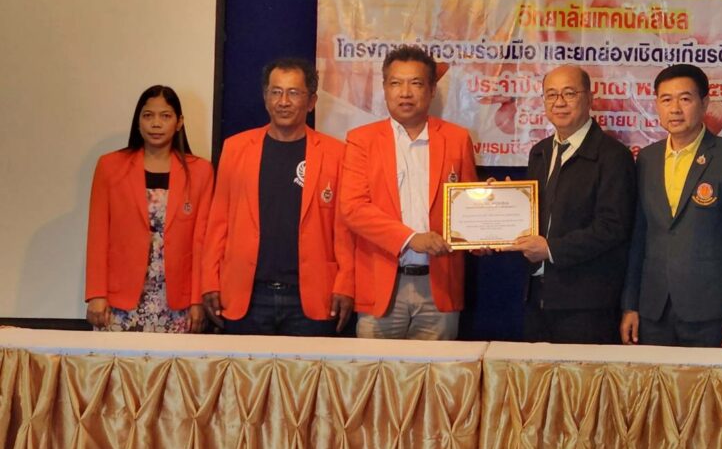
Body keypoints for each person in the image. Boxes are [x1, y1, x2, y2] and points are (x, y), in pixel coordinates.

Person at [201, 58, 352, 336]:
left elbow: (344, 230)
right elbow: (218, 223)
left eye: (294, 93)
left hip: (312, 297)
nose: (283, 101)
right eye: (276, 92)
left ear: (311, 101)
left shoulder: (336, 154)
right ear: (265, 97)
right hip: (247, 295)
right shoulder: (235, 148)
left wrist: (345, 284)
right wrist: (209, 280)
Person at [338, 45, 477, 340]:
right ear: (384, 88)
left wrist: (487, 222)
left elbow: (467, 207)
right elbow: (353, 208)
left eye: (415, 83)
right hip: (382, 284)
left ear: (431, 90)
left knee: (436, 370)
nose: (405, 93)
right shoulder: (362, 140)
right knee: (376, 370)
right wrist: (411, 239)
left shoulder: (456, 139)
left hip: (439, 286)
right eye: (396, 83)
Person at [621, 64, 722, 348]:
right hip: (654, 309)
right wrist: (630, 305)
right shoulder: (647, 158)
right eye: (666, 99)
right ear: (657, 105)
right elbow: (639, 237)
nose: (675, 109)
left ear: (705, 103)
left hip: (710, 311)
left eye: (685, 99)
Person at [508, 65, 635, 344]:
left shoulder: (613, 156)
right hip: (537, 297)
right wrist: (502, 204)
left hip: (586, 304)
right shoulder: (540, 152)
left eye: (569, 93)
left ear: (589, 98)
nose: (559, 102)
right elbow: (533, 217)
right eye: (551, 94)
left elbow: (613, 227)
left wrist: (551, 249)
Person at [86, 85, 213, 333]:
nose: (156, 123)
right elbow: (98, 235)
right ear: (138, 121)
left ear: (179, 122)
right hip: (120, 302)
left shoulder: (200, 172)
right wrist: (96, 294)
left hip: (178, 303)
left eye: (165, 116)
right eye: (148, 115)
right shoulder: (110, 166)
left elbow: (202, 242)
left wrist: (197, 300)